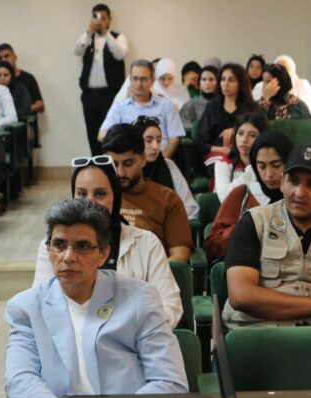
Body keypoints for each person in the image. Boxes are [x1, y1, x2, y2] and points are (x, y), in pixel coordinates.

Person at [6, 198, 188, 398]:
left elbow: (170, 380)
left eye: (82, 246)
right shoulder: (26, 307)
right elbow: (20, 379)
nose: (68, 257)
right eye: (59, 245)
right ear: (48, 250)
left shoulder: (140, 298)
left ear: (103, 254)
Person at [223, 145, 311, 328]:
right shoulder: (255, 221)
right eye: (293, 181)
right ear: (282, 182)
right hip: (256, 331)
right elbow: (241, 296)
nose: (299, 193)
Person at [33, 156, 183, 328]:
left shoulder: (146, 243)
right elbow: (41, 305)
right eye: (82, 194)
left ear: (116, 196)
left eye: (100, 194)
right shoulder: (53, 246)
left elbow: (169, 307)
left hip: (134, 340)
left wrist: (125, 333)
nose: (90, 202)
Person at [102, 123, 193, 262]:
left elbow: (180, 255)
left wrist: (151, 271)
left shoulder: (167, 199)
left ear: (143, 160)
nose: (120, 172)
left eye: (128, 164)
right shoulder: (98, 196)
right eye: (114, 164)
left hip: (152, 271)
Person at [204, 131, 293, 261]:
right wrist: (247, 228)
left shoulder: (298, 197)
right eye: (261, 166)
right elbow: (212, 244)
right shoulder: (243, 194)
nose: (269, 174)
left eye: (276, 165)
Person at [99, 60, 185, 160]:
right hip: (130, 162)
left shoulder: (166, 105)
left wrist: (163, 161)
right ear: (130, 80)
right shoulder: (120, 107)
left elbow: (175, 138)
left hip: (160, 159)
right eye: (135, 78)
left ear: (152, 80)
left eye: (143, 79)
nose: (139, 83)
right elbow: (102, 135)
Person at [73, 2, 128, 155]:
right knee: (92, 134)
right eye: (96, 17)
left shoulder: (118, 37)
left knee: (112, 133)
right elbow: (76, 51)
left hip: (111, 95)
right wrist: (88, 33)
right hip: (90, 95)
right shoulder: (87, 37)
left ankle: (112, 164)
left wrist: (106, 33)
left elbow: (120, 54)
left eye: (103, 18)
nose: (100, 21)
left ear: (110, 19)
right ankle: (97, 163)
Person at [132, 115, 198, 220]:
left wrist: (165, 219)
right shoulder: (127, 171)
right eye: (148, 140)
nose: (155, 146)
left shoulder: (169, 165)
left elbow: (191, 207)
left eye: (159, 140)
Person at [196, 63, 258, 168]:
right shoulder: (212, 106)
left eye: (231, 80)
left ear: (240, 83)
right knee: (224, 166)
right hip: (216, 154)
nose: (226, 84)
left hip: (244, 154)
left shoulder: (252, 107)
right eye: (223, 79)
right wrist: (223, 150)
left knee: (243, 167)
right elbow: (202, 142)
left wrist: (236, 131)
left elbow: (261, 135)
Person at [213, 112, 268, 202]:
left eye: (252, 135)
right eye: (240, 133)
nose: (244, 140)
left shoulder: (270, 164)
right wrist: (253, 169)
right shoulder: (223, 163)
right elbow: (225, 197)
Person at [252, 55, 311, 119]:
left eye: (269, 81)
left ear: (280, 81)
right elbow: (254, 122)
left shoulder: (297, 105)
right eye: (264, 81)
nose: (265, 86)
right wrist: (265, 98)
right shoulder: (259, 104)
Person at [0, 43, 44, 114]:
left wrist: (18, 111)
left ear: (15, 57)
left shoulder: (28, 78)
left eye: (7, 56)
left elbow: (40, 106)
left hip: (25, 119)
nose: (4, 60)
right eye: (0, 58)